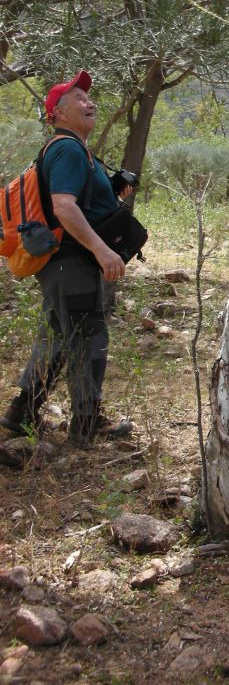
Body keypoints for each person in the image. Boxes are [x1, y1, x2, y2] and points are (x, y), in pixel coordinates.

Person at [0, 70, 134, 447]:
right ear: (57, 113)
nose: (88, 102)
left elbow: (75, 204)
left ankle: (22, 411)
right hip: (74, 264)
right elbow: (64, 207)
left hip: (62, 265)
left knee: (59, 337)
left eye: (89, 97)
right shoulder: (68, 149)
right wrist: (103, 249)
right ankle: (87, 423)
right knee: (89, 338)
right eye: (77, 97)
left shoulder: (70, 150)